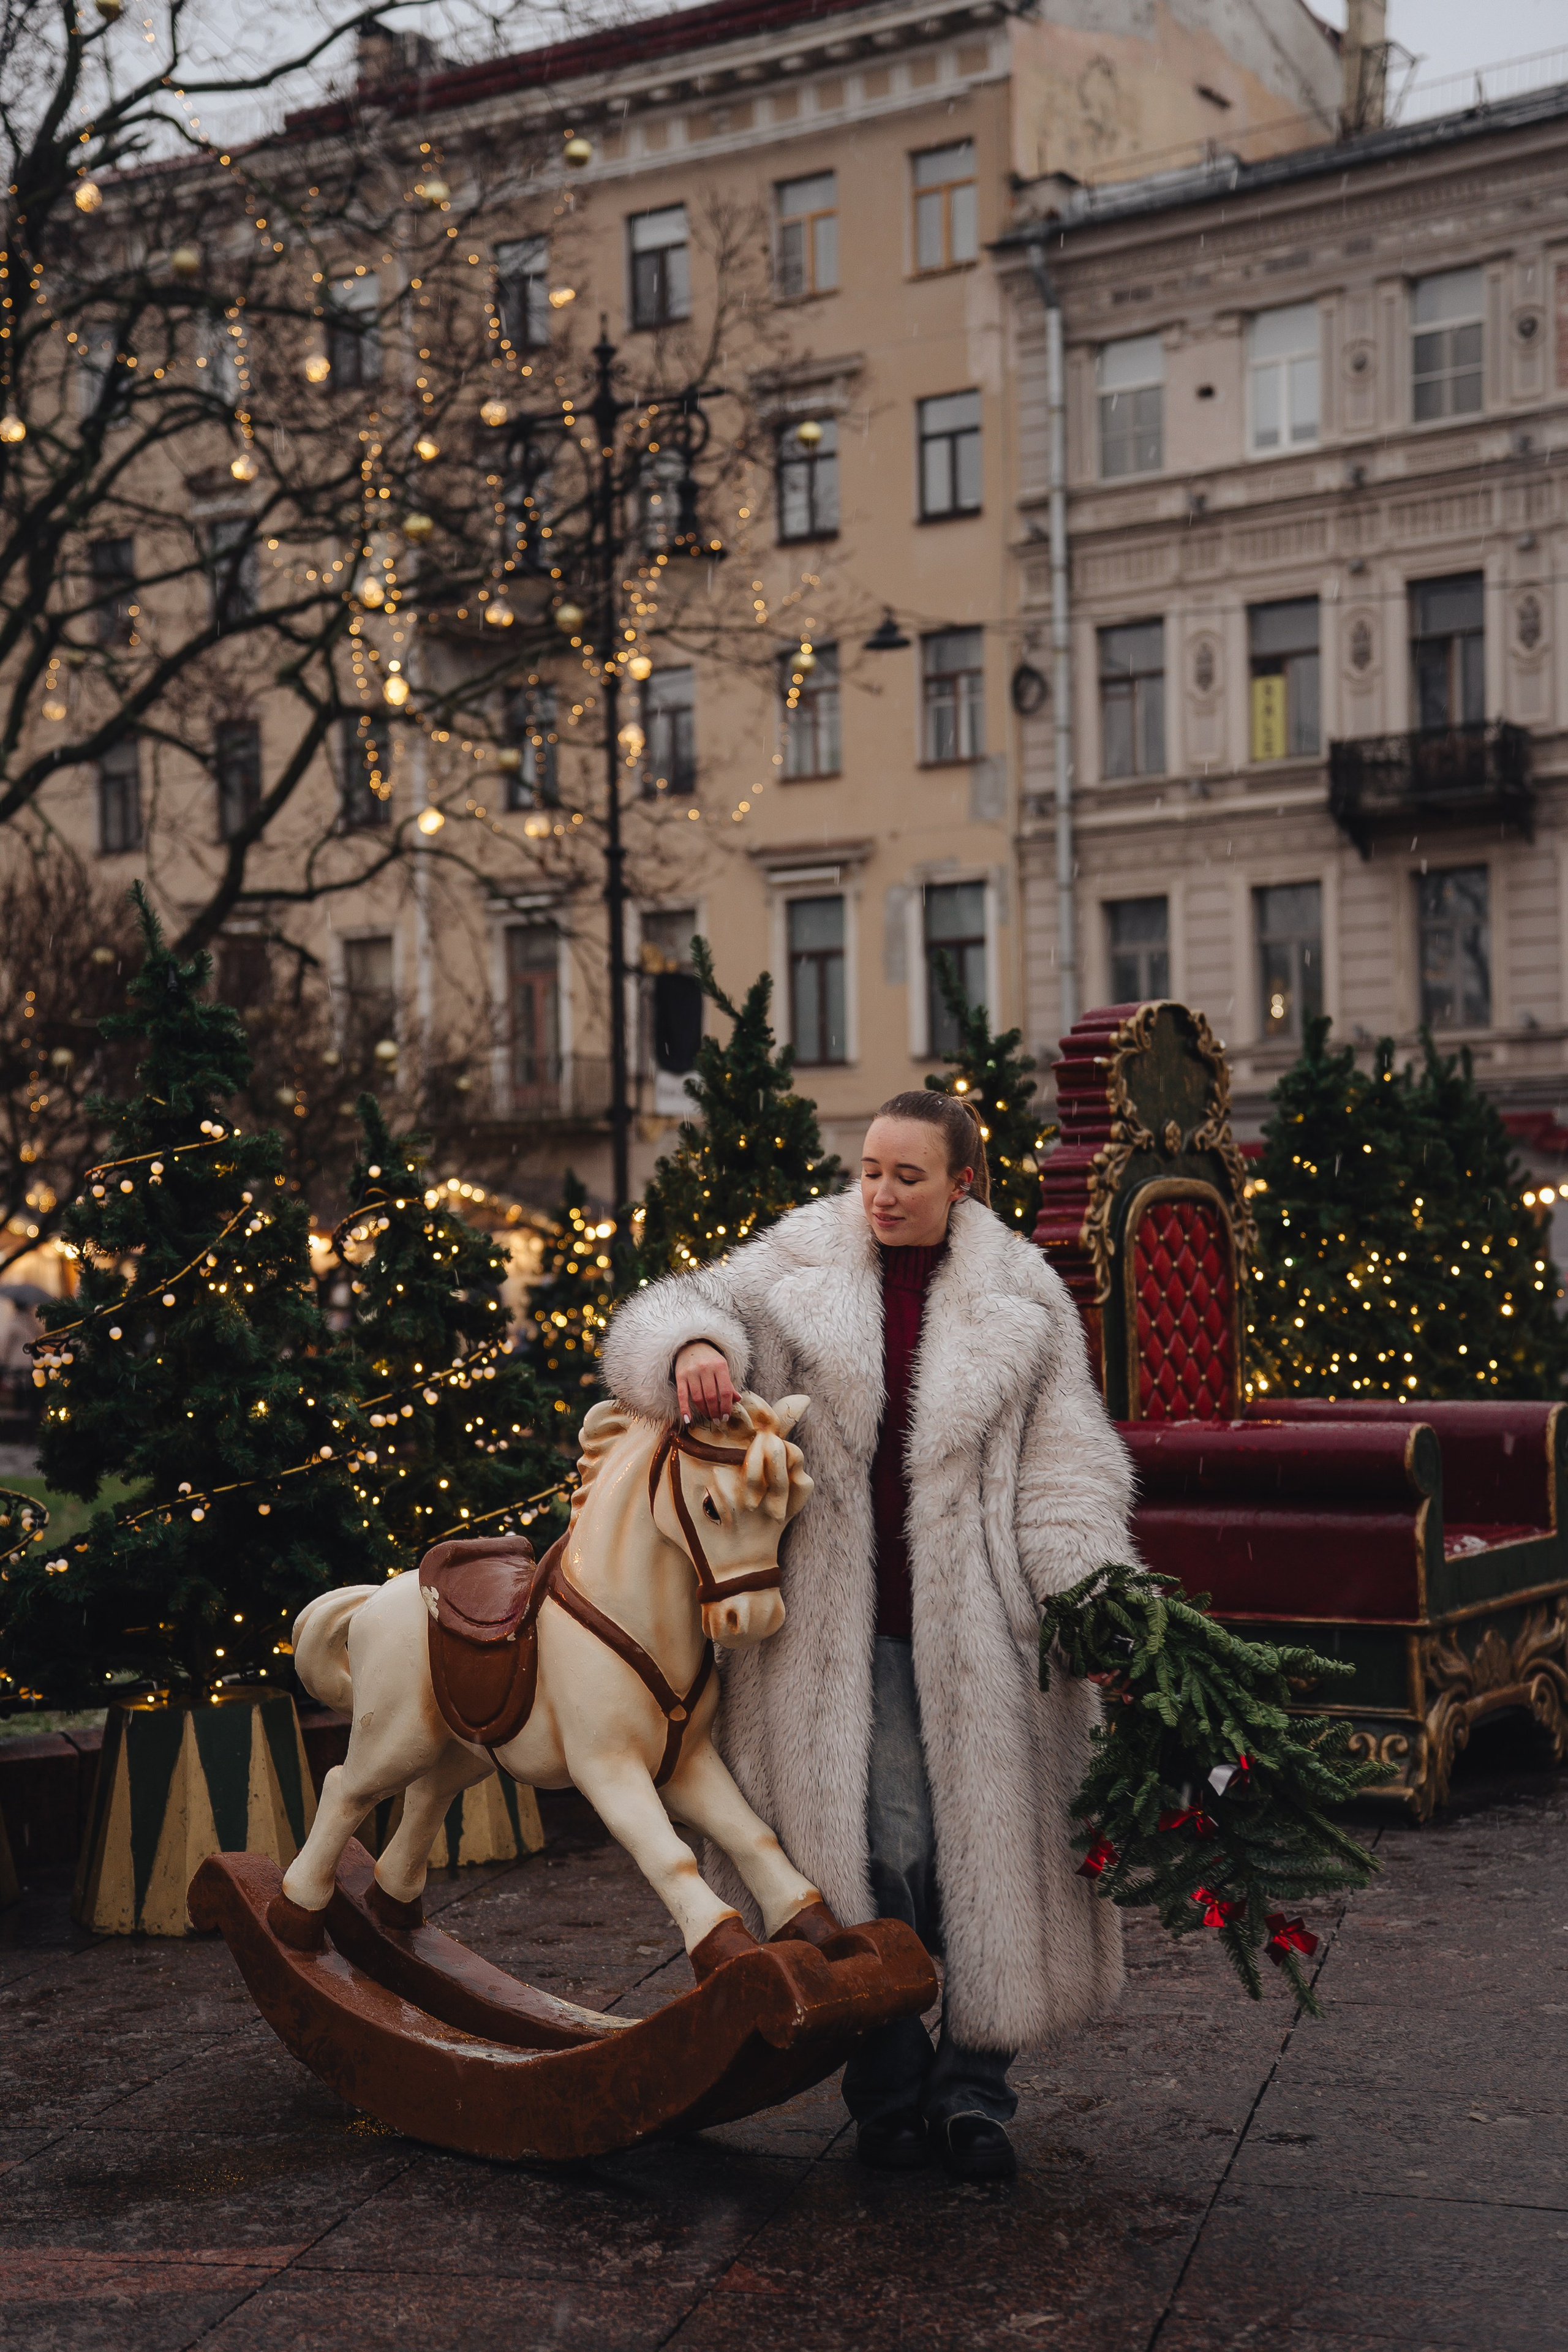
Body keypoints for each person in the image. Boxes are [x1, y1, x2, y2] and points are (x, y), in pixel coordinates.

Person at [600, 1091, 1133, 2182]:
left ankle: (974, 2095)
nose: (881, 1195)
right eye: (871, 1171)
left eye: (908, 1177)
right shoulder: (799, 1264)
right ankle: (887, 2085)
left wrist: (1087, 1593)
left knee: (999, 1864)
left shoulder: (1025, 1299)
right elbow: (675, 1308)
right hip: (835, 1638)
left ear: (962, 1184)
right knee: (881, 1855)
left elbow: (1068, 1470)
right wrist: (698, 1346)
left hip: (992, 1637)